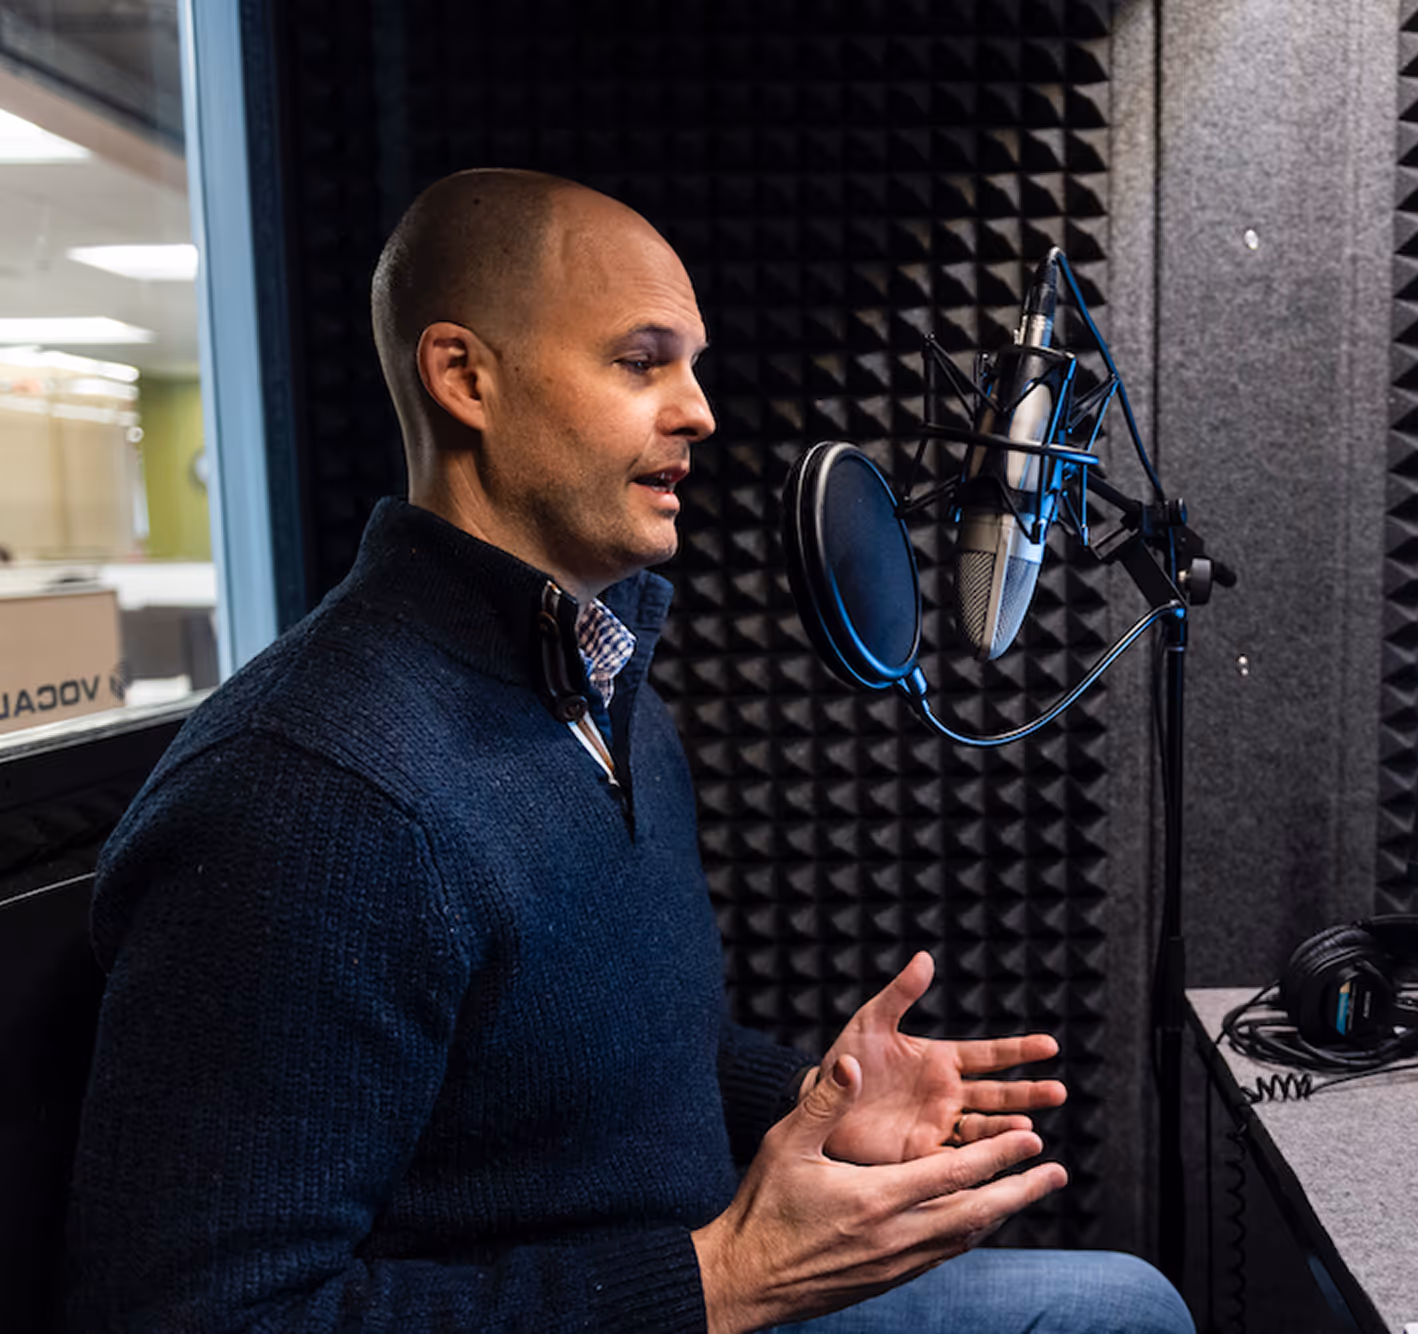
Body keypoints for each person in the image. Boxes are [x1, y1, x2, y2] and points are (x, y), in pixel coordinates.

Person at [65, 167, 1191, 1333]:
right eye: (640, 359)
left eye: (691, 363)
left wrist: (814, 1098)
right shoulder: (312, 795)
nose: (700, 409)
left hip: (673, 1286)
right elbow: (198, 1313)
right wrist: (717, 1280)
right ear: (464, 378)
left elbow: (622, 1066)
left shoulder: (596, 684)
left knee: (1122, 1304)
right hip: (659, 1301)